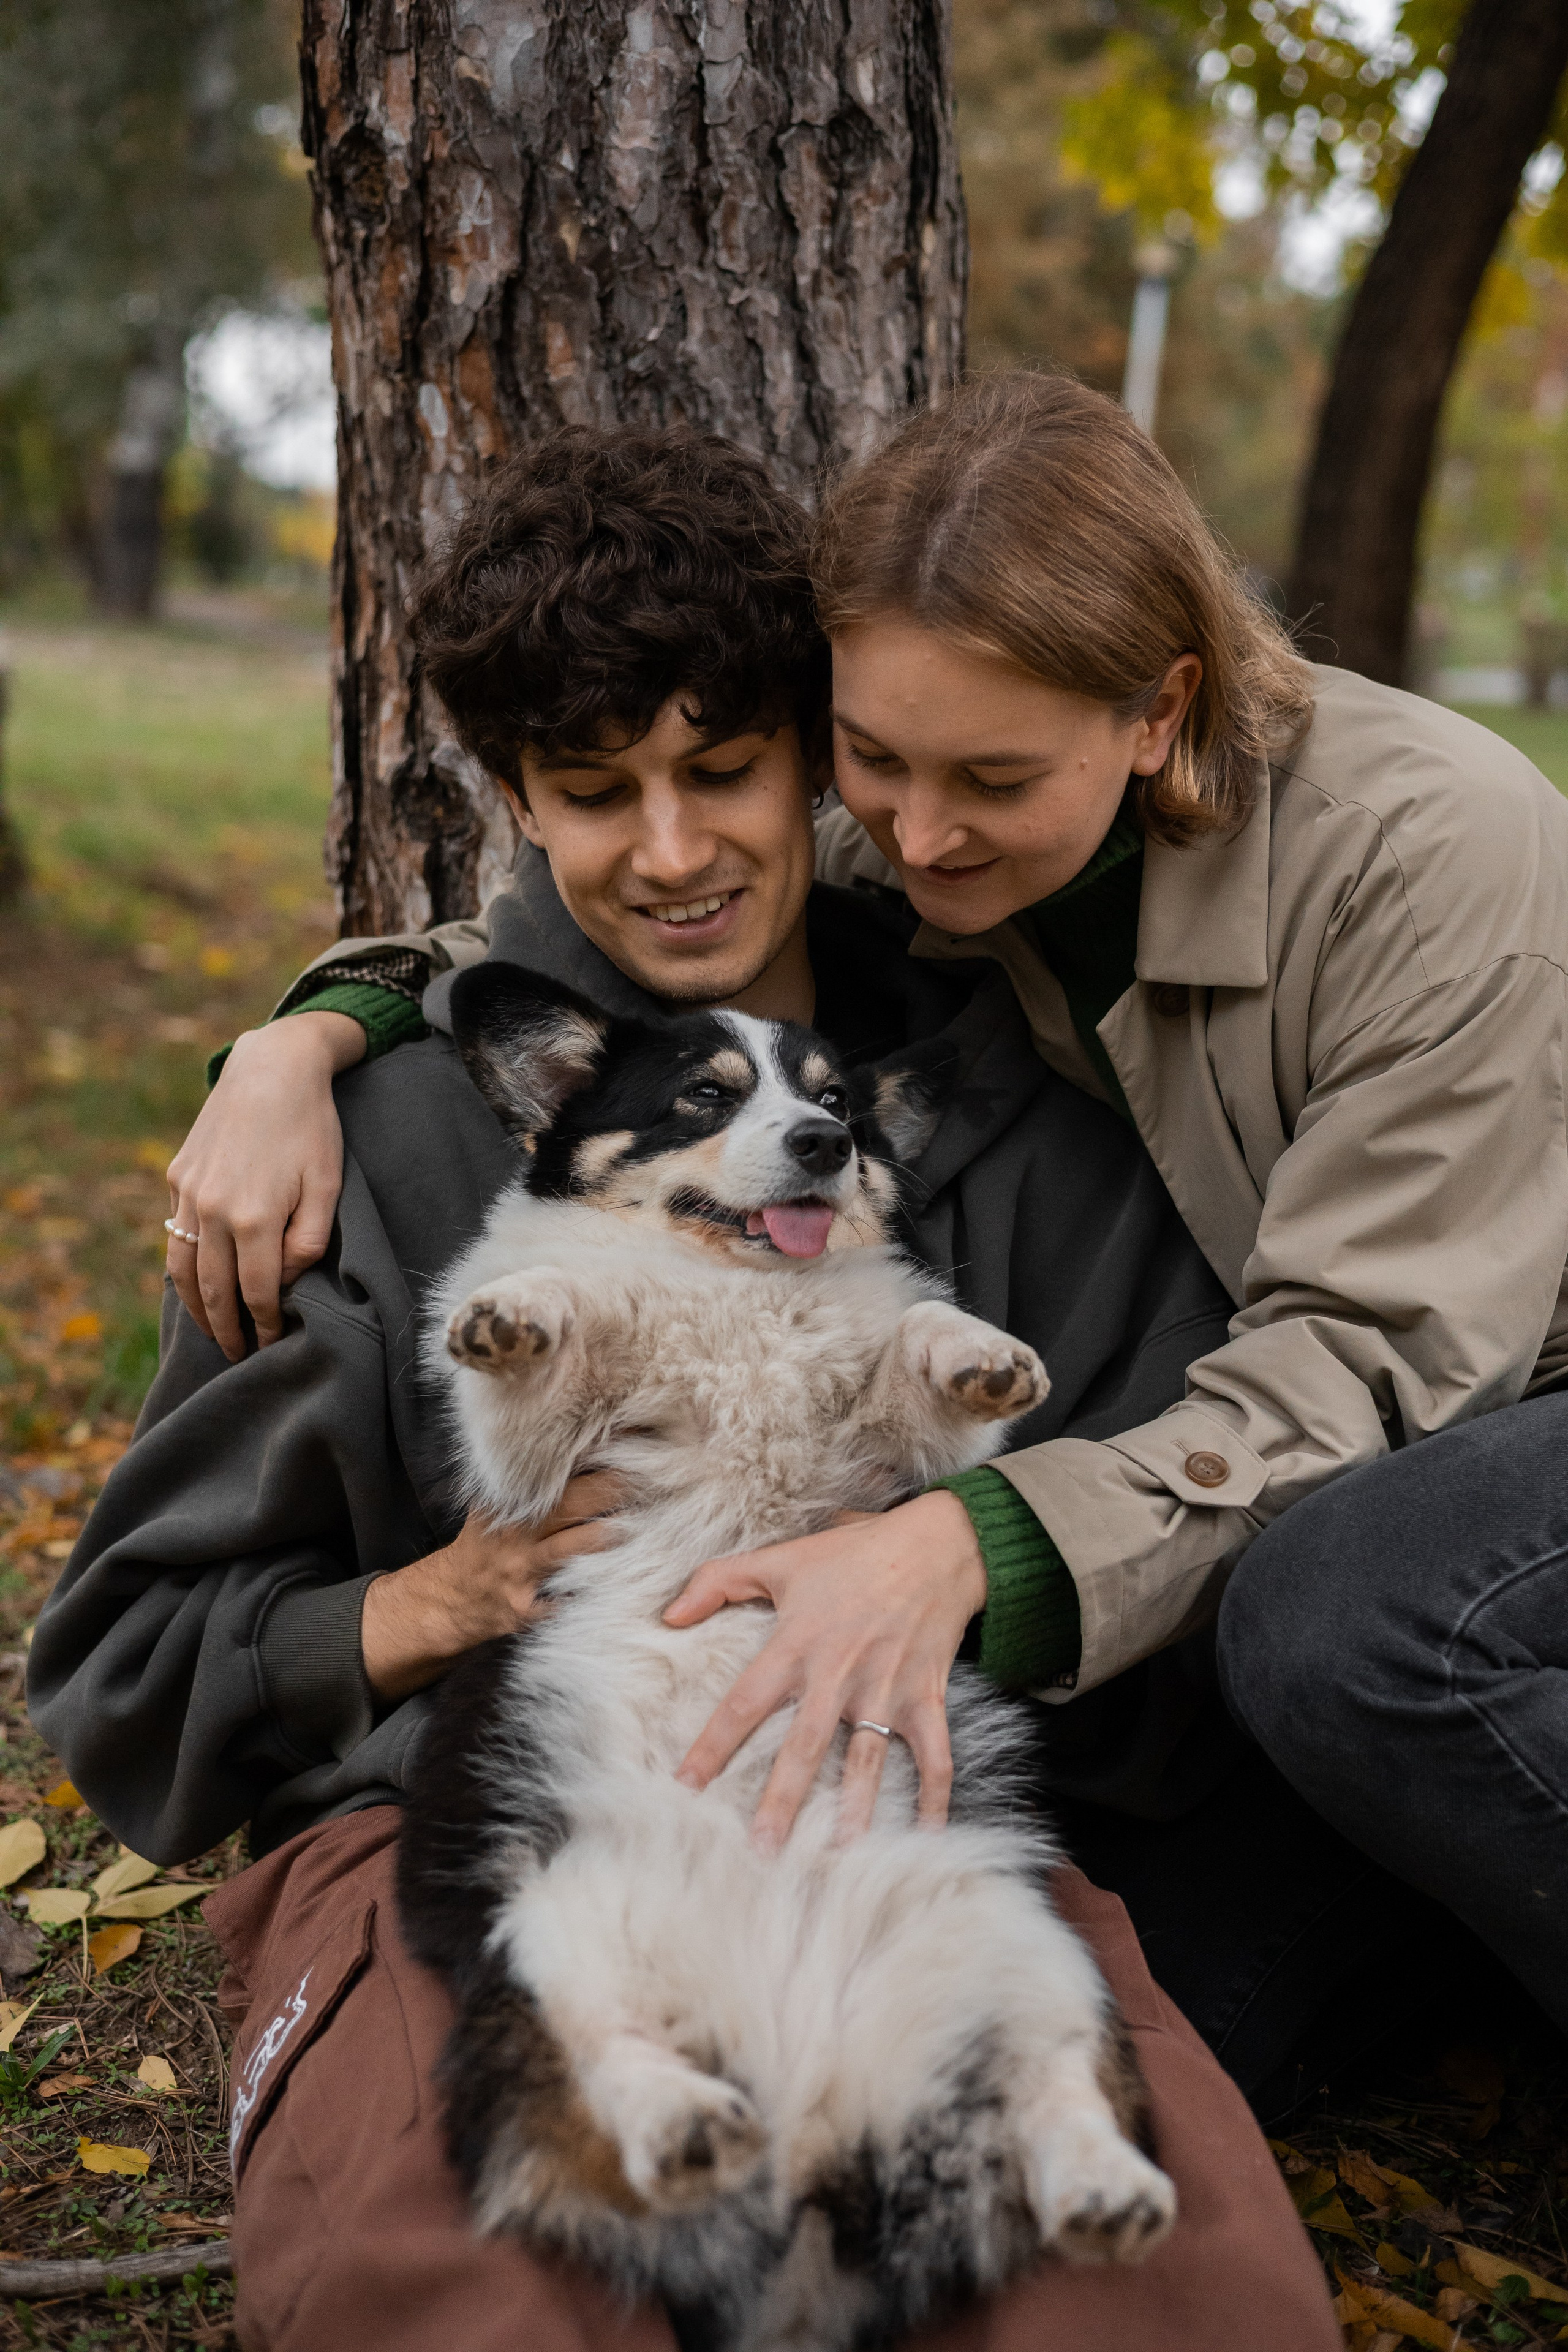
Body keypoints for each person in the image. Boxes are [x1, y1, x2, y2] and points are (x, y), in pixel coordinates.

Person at [28, 424, 1339, 2352]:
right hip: (479, 1838)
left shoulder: (1017, 1118)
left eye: (722, 769)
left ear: (818, 754)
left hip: (902, 1835)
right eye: (593, 788)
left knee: (1164, 2297)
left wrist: (960, 1565)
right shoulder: (369, 1140)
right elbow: (126, 1661)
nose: (671, 849)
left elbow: (1184, 1599)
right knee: (498, 2289)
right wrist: (422, 1605)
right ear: (512, 799)